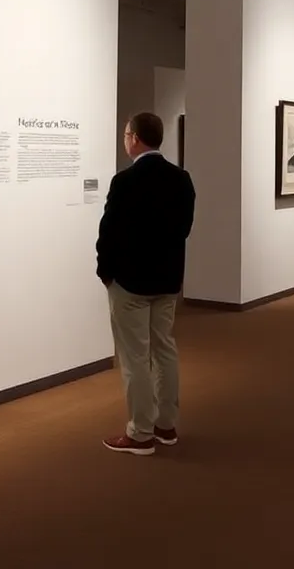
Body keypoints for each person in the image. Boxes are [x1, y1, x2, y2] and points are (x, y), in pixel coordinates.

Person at [96, 112, 196, 455]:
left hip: (130, 283)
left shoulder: (124, 182)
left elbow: (108, 234)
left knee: (135, 358)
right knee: (164, 350)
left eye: (126, 134)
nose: (125, 140)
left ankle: (140, 434)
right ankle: (165, 426)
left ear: (135, 138)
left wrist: (105, 272)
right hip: (167, 281)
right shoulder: (181, 179)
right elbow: (183, 229)